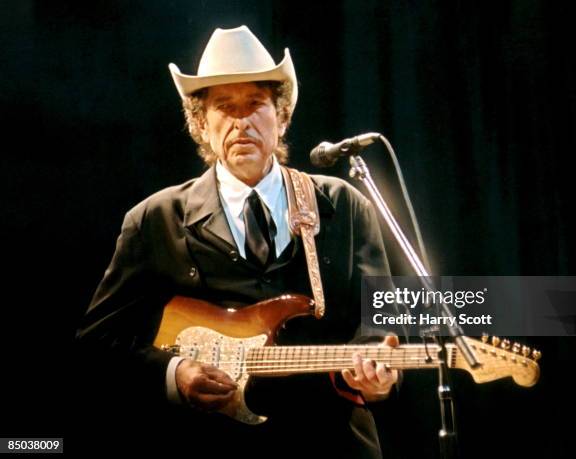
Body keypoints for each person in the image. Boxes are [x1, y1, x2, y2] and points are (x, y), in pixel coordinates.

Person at [76, 25, 400, 458]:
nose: (241, 121)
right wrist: (174, 374)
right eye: (224, 108)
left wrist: (376, 370)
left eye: (255, 105)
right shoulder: (156, 219)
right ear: (200, 124)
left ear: (281, 117)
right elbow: (98, 343)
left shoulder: (341, 204)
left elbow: (384, 320)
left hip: (331, 440)